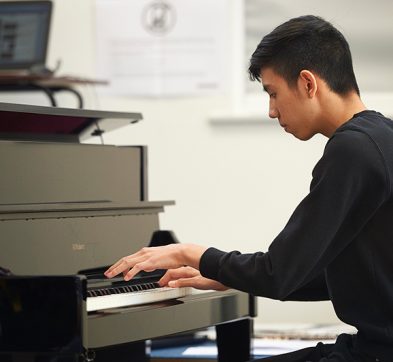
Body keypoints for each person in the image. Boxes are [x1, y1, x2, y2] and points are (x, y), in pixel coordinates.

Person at [105, 15, 393, 362]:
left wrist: (190, 253)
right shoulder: (380, 135)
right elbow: (341, 280)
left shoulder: (353, 150)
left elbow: (279, 273)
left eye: (273, 93)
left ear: (307, 83)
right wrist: (228, 276)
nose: (272, 111)